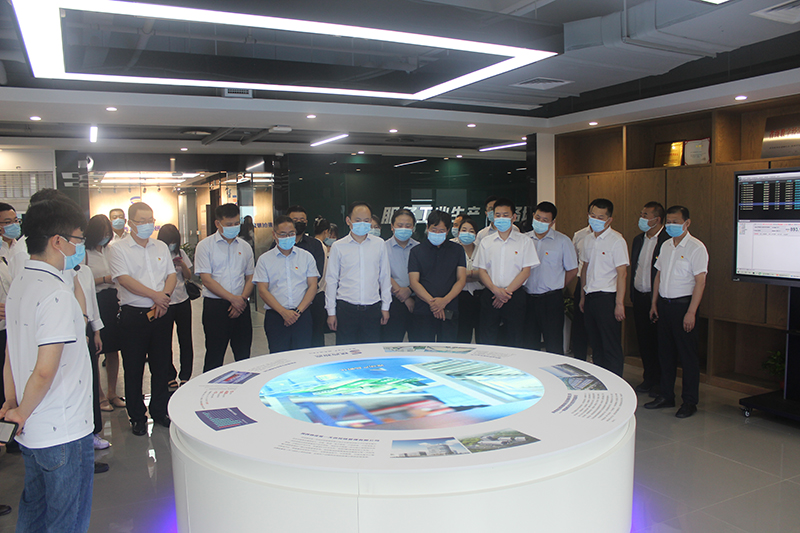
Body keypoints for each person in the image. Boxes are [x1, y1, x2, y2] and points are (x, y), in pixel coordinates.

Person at [0, 198, 94, 531]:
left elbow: (11, 354)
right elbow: (45, 369)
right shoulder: (56, 294)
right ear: (58, 241)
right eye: (78, 239)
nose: (80, 247)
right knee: (67, 517)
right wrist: (21, 411)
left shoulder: (20, 283)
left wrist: (12, 404)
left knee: (35, 508)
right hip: (63, 428)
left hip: (32, 429)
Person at [108, 202, 177, 435]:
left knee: (161, 365)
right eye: (142, 221)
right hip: (134, 315)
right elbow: (125, 280)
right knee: (134, 366)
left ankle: (159, 410)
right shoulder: (118, 249)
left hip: (162, 313)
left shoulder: (160, 246)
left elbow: (171, 275)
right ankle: (137, 416)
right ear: (130, 223)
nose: (148, 225)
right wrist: (155, 296)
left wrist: (163, 298)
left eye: (150, 220)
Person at [645, 206, 708, 419]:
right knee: (665, 354)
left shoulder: (696, 248)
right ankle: (666, 395)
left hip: (684, 307)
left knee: (688, 357)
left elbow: (700, 282)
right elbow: (658, 275)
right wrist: (654, 303)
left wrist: (691, 312)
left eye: (675, 222)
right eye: (669, 222)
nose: (671, 225)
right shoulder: (665, 245)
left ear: (687, 223)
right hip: (664, 305)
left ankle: (689, 401)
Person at [195, 203, 255, 372]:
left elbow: (250, 276)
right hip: (216, 307)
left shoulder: (245, 247)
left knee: (243, 355)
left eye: (236, 223)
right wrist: (232, 299)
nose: (233, 227)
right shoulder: (205, 246)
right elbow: (206, 279)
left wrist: (241, 300)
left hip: (241, 305)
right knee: (214, 355)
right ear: (218, 223)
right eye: (229, 224)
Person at [474, 198, 539, 347]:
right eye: (498, 215)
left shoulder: (525, 241)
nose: (501, 218)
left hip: (514, 296)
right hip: (491, 294)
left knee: (515, 338)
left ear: (514, 217)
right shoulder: (486, 242)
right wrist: (496, 291)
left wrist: (506, 293)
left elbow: (526, 271)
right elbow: (482, 271)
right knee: (487, 337)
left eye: (505, 215)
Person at [325, 201, 391, 345]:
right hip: (346, 308)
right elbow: (331, 280)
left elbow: (385, 277)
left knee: (371, 351)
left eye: (366, 220)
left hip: (372, 308)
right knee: (346, 351)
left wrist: (386, 307)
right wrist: (331, 312)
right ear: (348, 220)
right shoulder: (338, 246)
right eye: (358, 220)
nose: (362, 224)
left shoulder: (379, 244)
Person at [579, 198, 629, 377]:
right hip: (590, 296)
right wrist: (582, 297)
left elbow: (622, 273)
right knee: (596, 344)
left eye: (600, 217)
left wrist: (619, 303)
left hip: (607, 298)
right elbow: (585, 268)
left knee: (610, 345)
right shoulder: (587, 239)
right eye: (593, 216)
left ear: (609, 220)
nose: (595, 220)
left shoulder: (617, 241)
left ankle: (616, 383)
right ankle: (601, 380)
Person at [254, 216, 319, 353]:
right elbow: (263, 291)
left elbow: (313, 286)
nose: (287, 237)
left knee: (303, 356)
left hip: (302, 316)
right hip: (276, 317)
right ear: (274, 235)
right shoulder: (264, 260)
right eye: (283, 234)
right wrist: (283, 312)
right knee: (279, 357)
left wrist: (297, 312)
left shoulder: (306, 257)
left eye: (291, 233)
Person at [523, 202, 578, 355]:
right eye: (538, 218)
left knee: (553, 344)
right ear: (533, 216)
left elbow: (572, 270)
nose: (540, 222)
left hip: (551, 300)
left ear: (552, 222)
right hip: (528, 298)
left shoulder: (563, 241)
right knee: (528, 345)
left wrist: (558, 284)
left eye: (545, 220)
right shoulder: (524, 240)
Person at [85, 214, 125, 411]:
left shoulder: (112, 250)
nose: (106, 236)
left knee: (113, 349)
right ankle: (99, 396)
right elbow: (81, 281)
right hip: (95, 301)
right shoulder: (84, 253)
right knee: (96, 349)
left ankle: (112, 392)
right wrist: (103, 279)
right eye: (102, 233)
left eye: (108, 233)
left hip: (113, 300)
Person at [408, 210, 466, 342]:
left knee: (447, 349)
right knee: (422, 348)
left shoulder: (457, 250)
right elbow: (414, 282)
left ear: (448, 231)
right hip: (423, 309)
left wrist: (444, 301)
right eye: (434, 230)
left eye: (441, 231)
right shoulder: (416, 251)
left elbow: (461, 280)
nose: (437, 233)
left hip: (449, 308)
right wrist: (433, 303)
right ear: (427, 228)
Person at [630, 202, 669, 396]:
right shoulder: (638, 239)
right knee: (644, 341)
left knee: (659, 342)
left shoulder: (667, 241)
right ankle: (649, 378)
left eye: (646, 215)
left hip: (658, 299)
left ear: (657, 219)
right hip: (640, 296)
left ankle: (661, 382)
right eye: (641, 214)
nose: (642, 218)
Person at [157, 224, 194, 387]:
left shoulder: (181, 253)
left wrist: (182, 265)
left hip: (182, 300)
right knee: (165, 340)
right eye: (169, 241)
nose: (172, 245)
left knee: (185, 338)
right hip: (165, 302)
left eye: (174, 241)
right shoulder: (157, 254)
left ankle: (185, 374)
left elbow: (189, 276)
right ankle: (169, 375)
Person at [382, 208, 419, 342]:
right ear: (392, 227)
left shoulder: (419, 248)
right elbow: (383, 274)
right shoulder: (383, 247)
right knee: (391, 344)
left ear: (413, 228)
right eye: (400, 225)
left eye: (408, 226)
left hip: (417, 300)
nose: (404, 229)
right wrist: (404, 297)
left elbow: (425, 274)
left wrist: (409, 290)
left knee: (418, 343)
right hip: (393, 303)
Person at [453, 217, 483, 343]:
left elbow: (486, 273)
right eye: (464, 230)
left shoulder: (482, 249)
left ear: (476, 234)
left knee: (482, 334)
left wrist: (465, 274)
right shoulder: (452, 249)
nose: (467, 233)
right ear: (459, 232)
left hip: (480, 296)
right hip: (459, 296)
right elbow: (451, 274)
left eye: (471, 231)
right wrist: (475, 274)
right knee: (462, 335)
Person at [571, 221, 593, 361]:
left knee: (597, 328)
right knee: (579, 326)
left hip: (602, 286)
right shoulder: (579, 235)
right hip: (581, 282)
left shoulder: (615, 238)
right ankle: (579, 360)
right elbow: (574, 260)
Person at [311, 218, 332, 347]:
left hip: (314, 292)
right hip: (318, 293)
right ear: (326, 231)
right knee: (317, 332)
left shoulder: (312, 244)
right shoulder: (321, 247)